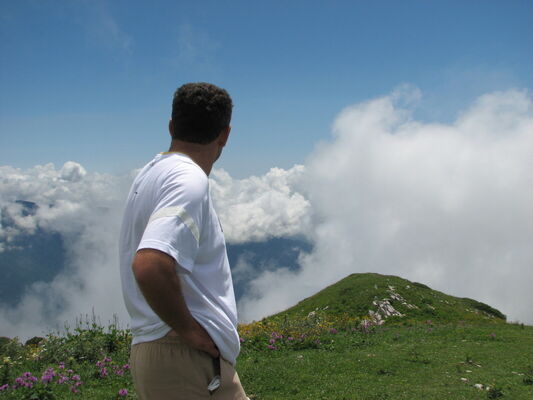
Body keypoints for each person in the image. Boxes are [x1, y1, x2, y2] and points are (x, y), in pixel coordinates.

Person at [118, 82, 248, 399]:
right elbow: (149, 265)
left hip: (185, 355)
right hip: (179, 353)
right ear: (225, 135)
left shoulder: (152, 173)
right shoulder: (188, 179)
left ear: (172, 126)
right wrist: (190, 331)